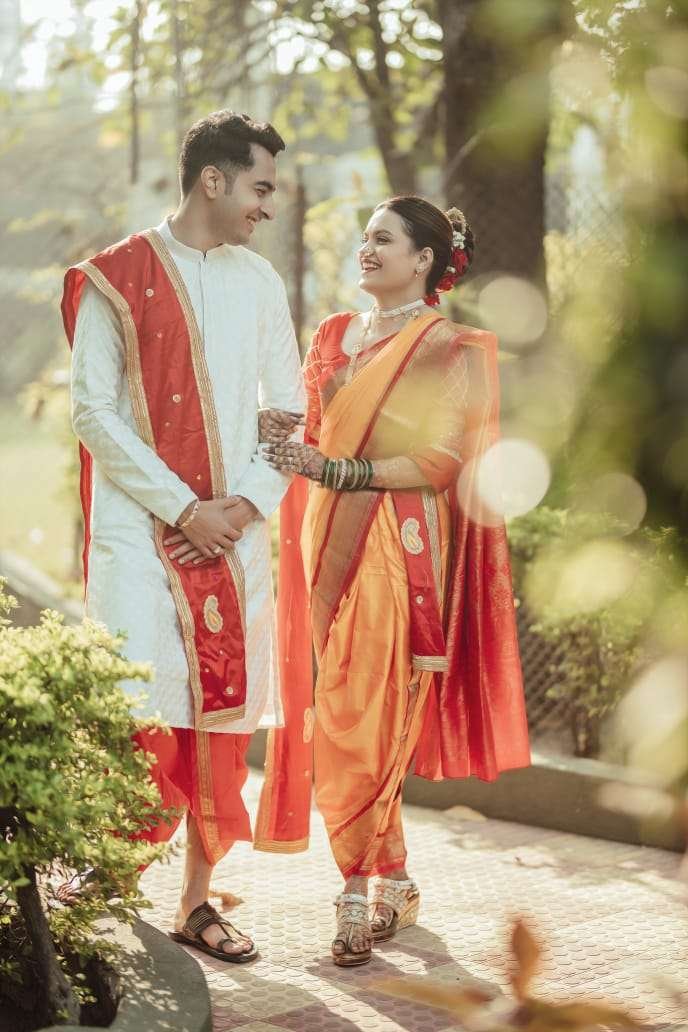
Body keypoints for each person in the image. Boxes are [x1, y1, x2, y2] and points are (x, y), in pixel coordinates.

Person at [61, 110, 305, 963]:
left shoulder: (258, 282)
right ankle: (99, 906)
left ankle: (196, 904)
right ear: (214, 179)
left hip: (232, 541)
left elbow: (289, 409)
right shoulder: (117, 278)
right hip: (140, 540)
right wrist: (182, 508)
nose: (267, 205)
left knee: (221, 724)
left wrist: (241, 507)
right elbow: (92, 412)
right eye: (260, 186)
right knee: (139, 719)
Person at [263, 195, 531, 967]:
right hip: (324, 535)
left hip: (398, 538)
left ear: (424, 260)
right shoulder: (331, 335)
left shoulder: (448, 346)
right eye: (365, 238)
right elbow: (314, 434)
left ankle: (354, 888)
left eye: (384, 239)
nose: (367, 249)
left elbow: (442, 460)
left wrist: (338, 470)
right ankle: (399, 877)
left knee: (371, 705)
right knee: (338, 698)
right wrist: (280, 436)